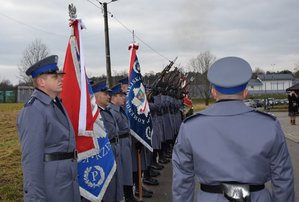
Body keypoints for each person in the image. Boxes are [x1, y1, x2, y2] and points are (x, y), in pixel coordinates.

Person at [172, 56, 295, 202]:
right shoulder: (269, 125)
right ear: (245, 92)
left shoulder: (190, 127)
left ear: (213, 92)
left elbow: (182, 181)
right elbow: (283, 178)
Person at [16, 55, 81, 201]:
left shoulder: (56, 104)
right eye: (54, 76)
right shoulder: (34, 110)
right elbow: (31, 161)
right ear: (41, 82)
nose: (60, 79)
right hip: (52, 186)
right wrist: (35, 198)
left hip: (67, 182)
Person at [92, 80, 124, 202]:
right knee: (108, 187)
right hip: (106, 152)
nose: (108, 96)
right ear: (95, 95)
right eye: (105, 94)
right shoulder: (96, 113)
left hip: (114, 149)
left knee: (115, 182)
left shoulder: (106, 111)